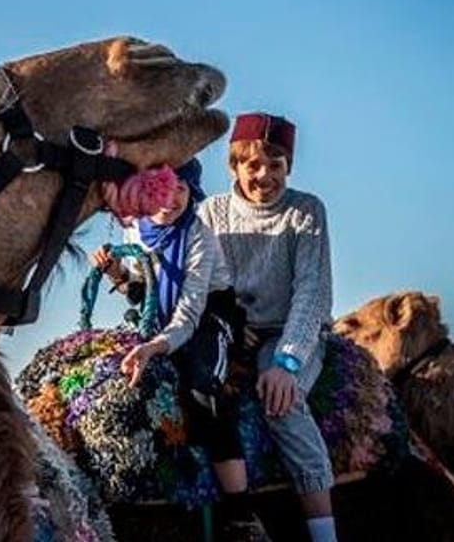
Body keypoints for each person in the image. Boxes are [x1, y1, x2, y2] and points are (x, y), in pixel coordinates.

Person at [97, 160, 270, 542]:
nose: (172, 199)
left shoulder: (198, 237)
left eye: (181, 188)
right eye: (163, 187)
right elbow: (144, 292)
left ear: (192, 191)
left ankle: (242, 514)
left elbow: (190, 312)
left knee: (203, 390)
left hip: (208, 314)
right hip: (160, 320)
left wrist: (154, 347)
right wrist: (115, 273)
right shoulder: (135, 231)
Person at [199, 112, 338, 542]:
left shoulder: (306, 211)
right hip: (235, 329)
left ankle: (324, 533)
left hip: (291, 330)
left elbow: (313, 291)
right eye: (253, 165)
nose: (264, 175)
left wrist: (287, 361)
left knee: (281, 401)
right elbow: (203, 282)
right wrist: (233, 326)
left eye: (275, 165)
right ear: (234, 166)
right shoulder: (212, 212)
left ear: (288, 167)